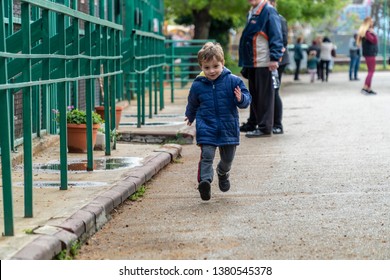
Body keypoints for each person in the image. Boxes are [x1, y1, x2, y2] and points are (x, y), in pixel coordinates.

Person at [185, 42, 251, 201]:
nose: (211, 71)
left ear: (222, 63)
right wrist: (190, 115)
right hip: (207, 126)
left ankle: (223, 172)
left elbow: (246, 99)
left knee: (227, 159)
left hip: (228, 127)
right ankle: (205, 182)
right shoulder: (198, 85)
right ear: (201, 66)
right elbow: (193, 102)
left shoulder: (233, 81)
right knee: (207, 155)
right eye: (206, 67)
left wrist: (241, 99)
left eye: (215, 66)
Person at [238, 0, 284, 137]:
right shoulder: (253, 11)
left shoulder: (268, 10)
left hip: (263, 61)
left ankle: (265, 127)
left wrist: (275, 58)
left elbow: (276, 35)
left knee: (264, 97)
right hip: (253, 62)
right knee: (256, 96)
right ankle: (259, 124)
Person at [269, 0, 289, 135]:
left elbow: (283, 40)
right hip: (275, 59)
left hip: (278, 60)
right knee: (271, 91)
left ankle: (277, 124)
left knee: (274, 91)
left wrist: (274, 57)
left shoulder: (277, 18)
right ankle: (271, 122)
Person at [357, 16, 378, 95]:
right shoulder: (367, 33)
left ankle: (368, 88)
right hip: (370, 54)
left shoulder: (365, 33)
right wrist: (374, 33)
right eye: (371, 21)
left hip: (369, 53)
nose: (372, 23)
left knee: (371, 71)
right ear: (368, 23)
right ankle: (365, 87)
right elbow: (374, 41)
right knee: (371, 71)